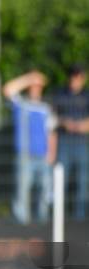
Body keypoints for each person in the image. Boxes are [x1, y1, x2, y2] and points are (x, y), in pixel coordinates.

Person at [3, 71, 58, 224]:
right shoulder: (21, 104)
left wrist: (51, 153)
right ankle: (22, 225)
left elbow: (51, 132)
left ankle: (42, 224)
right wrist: (28, 78)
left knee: (44, 192)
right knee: (22, 192)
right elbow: (7, 89)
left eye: (38, 86)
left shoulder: (46, 108)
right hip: (25, 156)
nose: (35, 88)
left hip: (43, 156)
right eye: (33, 86)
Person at [54, 65, 89, 220]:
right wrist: (65, 122)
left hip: (81, 143)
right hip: (65, 142)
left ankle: (79, 217)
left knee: (82, 181)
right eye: (73, 76)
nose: (74, 79)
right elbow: (53, 116)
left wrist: (83, 125)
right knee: (61, 181)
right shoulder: (60, 95)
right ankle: (59, 215)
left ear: (83, 78)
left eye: (78, 76)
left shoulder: (87, 96)